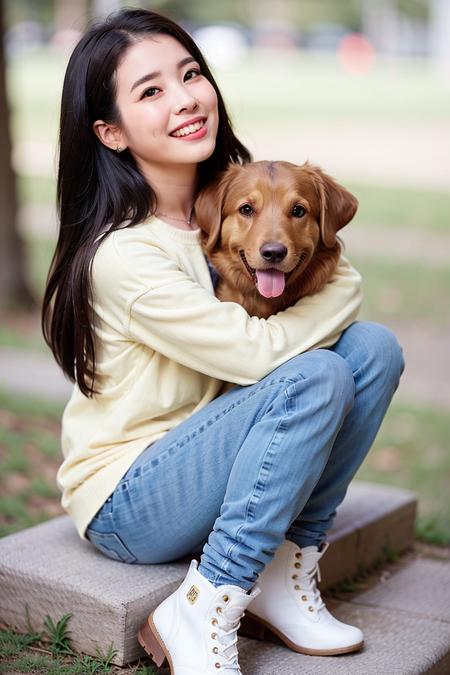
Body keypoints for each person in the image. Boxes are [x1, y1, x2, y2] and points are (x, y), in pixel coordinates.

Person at [42, 8, 405, 674]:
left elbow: (334, 268)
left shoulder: (235, 205)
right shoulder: (127, 253)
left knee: (374, 349)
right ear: (111, 132)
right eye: (150, 91)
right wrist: (323, 289)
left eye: (190, 74)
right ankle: (206, 602)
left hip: (218, 445)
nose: (183, 97)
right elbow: (262, 354)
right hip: (131, 496)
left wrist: (311, 258)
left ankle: (287, 563)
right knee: (316, 373)